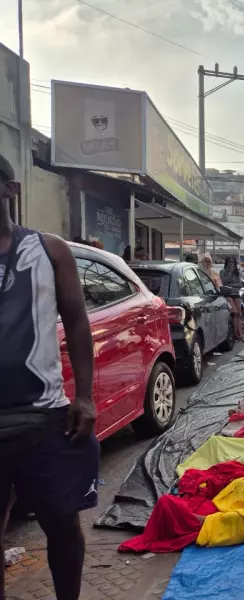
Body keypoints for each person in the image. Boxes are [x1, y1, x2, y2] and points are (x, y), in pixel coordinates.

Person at [0, 157, 99, 600]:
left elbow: (78, 321)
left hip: (44, 417)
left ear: (10, 190)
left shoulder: (48, 250)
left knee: (61, 523)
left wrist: (86, 396)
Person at [221, 257, 244, 341]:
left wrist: (231, 284)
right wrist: (229, 273)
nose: (231, 264)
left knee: (239, 314)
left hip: (236, 294)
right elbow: (223, 283)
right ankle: (235, 333)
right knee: (235, 313)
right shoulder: (223, 272)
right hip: (228, 294)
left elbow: (240, 284)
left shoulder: (237, 272)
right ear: (227, 263)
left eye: (233, 262)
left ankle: (240, 333)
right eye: (229, 262)